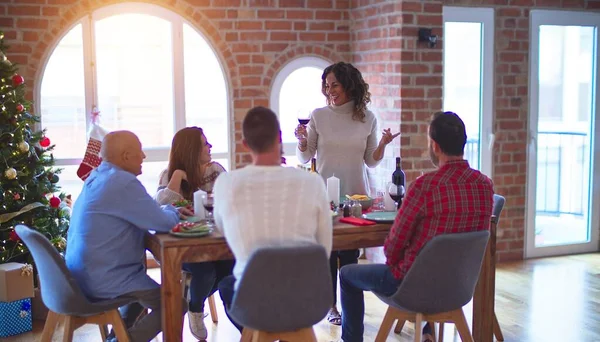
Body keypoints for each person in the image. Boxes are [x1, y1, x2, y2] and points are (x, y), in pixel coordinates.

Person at [337, 112, 495, 342]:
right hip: (459, 289)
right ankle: (427, 331)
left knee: (346, 274)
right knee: (429, 262)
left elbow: (392, 248)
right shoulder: (484, 185)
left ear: (435, 146)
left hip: (412, 288)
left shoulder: (425, 186)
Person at [295, 61, 400, 324]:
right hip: (325, 197)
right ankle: (331, 307)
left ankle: (351, 313)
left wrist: (384, 145)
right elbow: (306, 156)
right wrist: (302, 141)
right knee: (329, 252)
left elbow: (371, 160)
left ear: (349, 85)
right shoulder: (318, 115)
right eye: (327, 86)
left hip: (356, 196)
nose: (330, 90)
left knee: (350, 255)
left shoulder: (367, 118)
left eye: (335, 85)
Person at [65, 131, 192, 342]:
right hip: (104, 280)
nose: (143, 156)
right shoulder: (122, 182)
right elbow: (163, 222)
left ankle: (120, 336)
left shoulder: (98, 175)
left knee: (140, 291)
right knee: (176, 304)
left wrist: (163, 210)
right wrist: (173, 209)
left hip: (82, 274)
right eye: (139, 151)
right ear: (125, 156)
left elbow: (143, 215)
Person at [215, 106, 333, 332]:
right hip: (308, 301)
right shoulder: (312, 182)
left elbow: (221, 229)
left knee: (227, 285)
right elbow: (324, 249)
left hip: (255, 303)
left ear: (245, 145)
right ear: (279, 138)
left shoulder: (226, 184)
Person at [154, 126, 232, 340]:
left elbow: (230, 198)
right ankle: (196, 306)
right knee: (205, 272)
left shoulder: (215, 170)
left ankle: (192, 301)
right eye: (204, 144)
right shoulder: (169, 175)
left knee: (229, 266)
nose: (210, 147)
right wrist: (178, 175)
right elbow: (160, 204)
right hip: (185, 245)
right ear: (191, 150)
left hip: (214, 240)